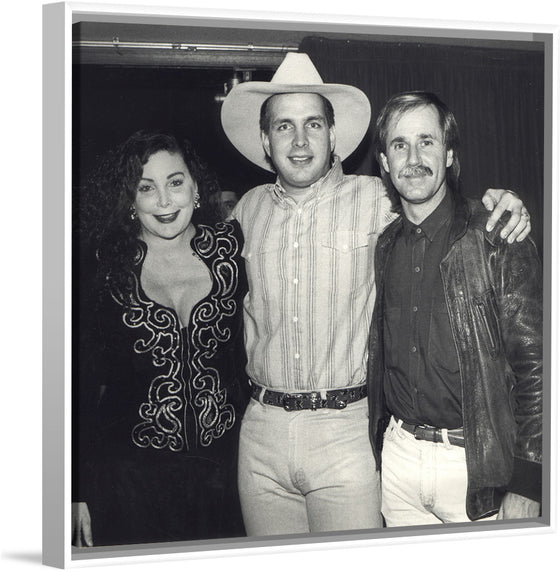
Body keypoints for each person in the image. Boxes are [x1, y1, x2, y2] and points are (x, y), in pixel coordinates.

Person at [219, 52, 532, 535]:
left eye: (313, 125)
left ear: (333, 136)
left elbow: (439, 202)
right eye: (284, 126)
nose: (300, 141)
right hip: (261, 431)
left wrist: (504, 202)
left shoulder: (376, 200)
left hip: (347, 431)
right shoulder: (244, 212)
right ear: (265, 140)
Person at [367, 91, 542, 526]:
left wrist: (529, 482)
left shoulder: (496, 235)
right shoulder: (385, 246)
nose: (414, 156)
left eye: (427, 141)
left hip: (477, 467)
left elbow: (537, 369)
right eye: (399, 144)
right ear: (385, 162)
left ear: (447, 153)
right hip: (400, 463)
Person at [72, 130, 249, 546]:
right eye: (146, 188)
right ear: (130, 201)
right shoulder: (103, 270)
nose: (165, 202)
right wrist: (74, 489)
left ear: (196, 188)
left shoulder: (233, 251)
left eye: (175, 182)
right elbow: (77, 384)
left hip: (225, 478)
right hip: (130, 482)